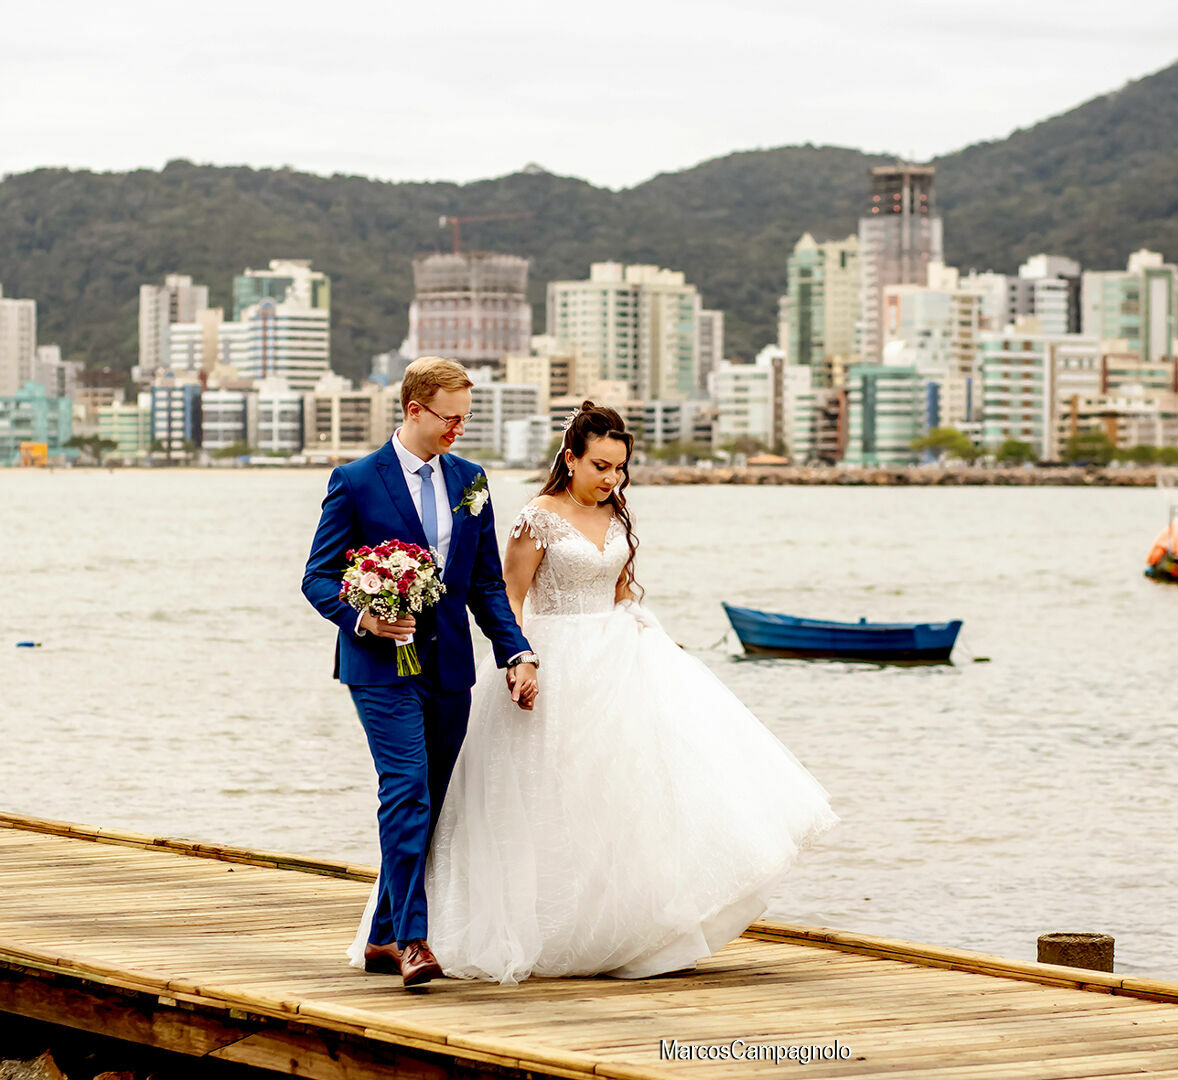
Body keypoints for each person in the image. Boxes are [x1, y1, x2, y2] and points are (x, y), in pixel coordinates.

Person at [348, 401, 836, 984]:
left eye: (620, 468)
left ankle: (627, 927)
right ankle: (462, 930)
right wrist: (520, 660)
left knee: (627, 793)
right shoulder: (537, 518)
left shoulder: (617, 516)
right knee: (540, 795)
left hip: (618, 661)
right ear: (571, 459)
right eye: (601, 466)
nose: (612, 478)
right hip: (554, 659)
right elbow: (509, 595)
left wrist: (655, 638)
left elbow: (623, 592)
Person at [304, 357, 540, 988]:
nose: (460, 428)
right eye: (451, 417)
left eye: (467, 417)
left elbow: (486, 585)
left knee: (429, 803)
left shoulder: (471, 480)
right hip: (379, 667)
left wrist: (516, 652)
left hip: (450, 667)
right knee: (406, 789)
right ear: (415, 410)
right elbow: (317, 576)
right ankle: (414, 940)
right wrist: (363, 616)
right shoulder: (356, 480)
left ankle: (382, 935)